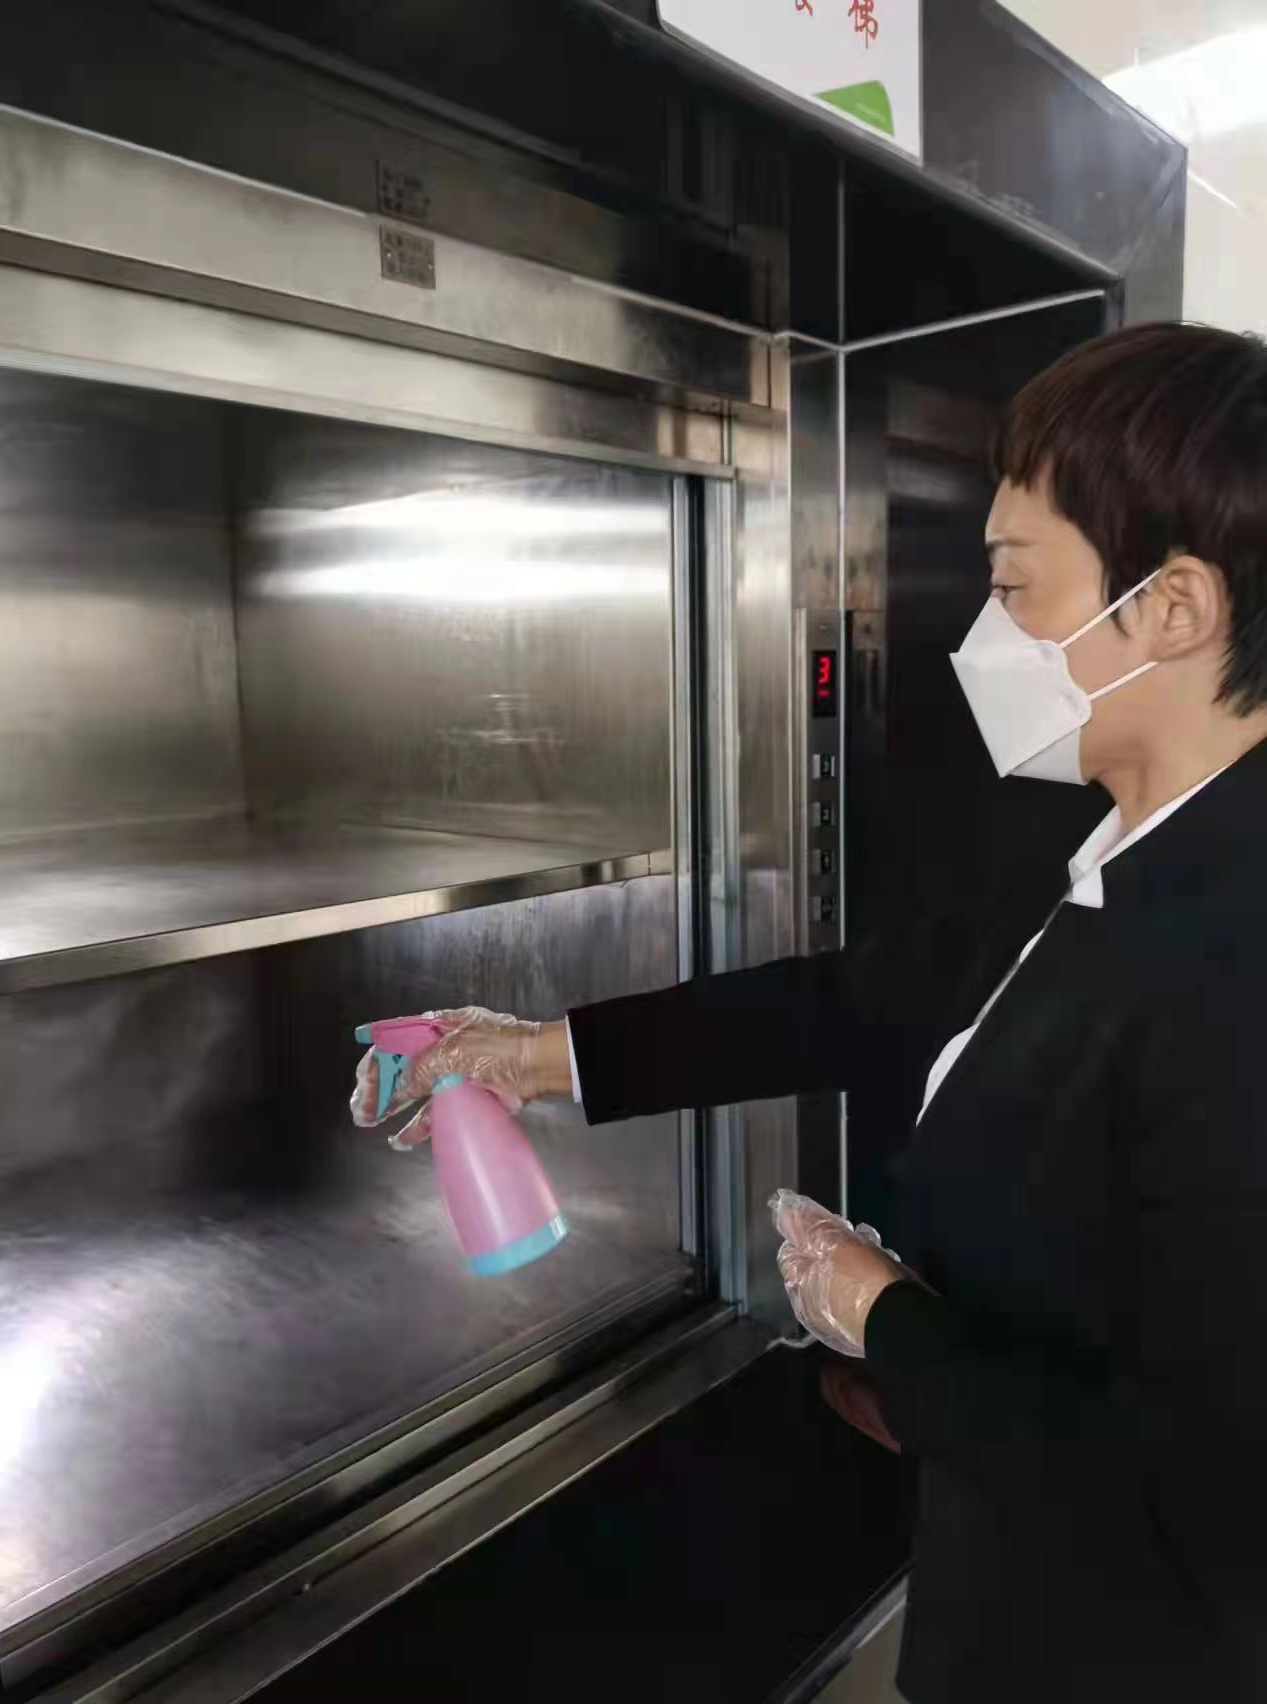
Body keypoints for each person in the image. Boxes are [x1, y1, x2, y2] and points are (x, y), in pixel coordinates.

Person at [351, 324, 1267, 1704]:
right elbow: (860, 1001)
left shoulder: (1239, 959)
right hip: (1002, 1594)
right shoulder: (1115, 842)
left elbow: (1196, 1490)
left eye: (1015, 584)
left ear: (1175, 606)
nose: (987, 635)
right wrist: (538, 1057)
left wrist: (884, 1316)